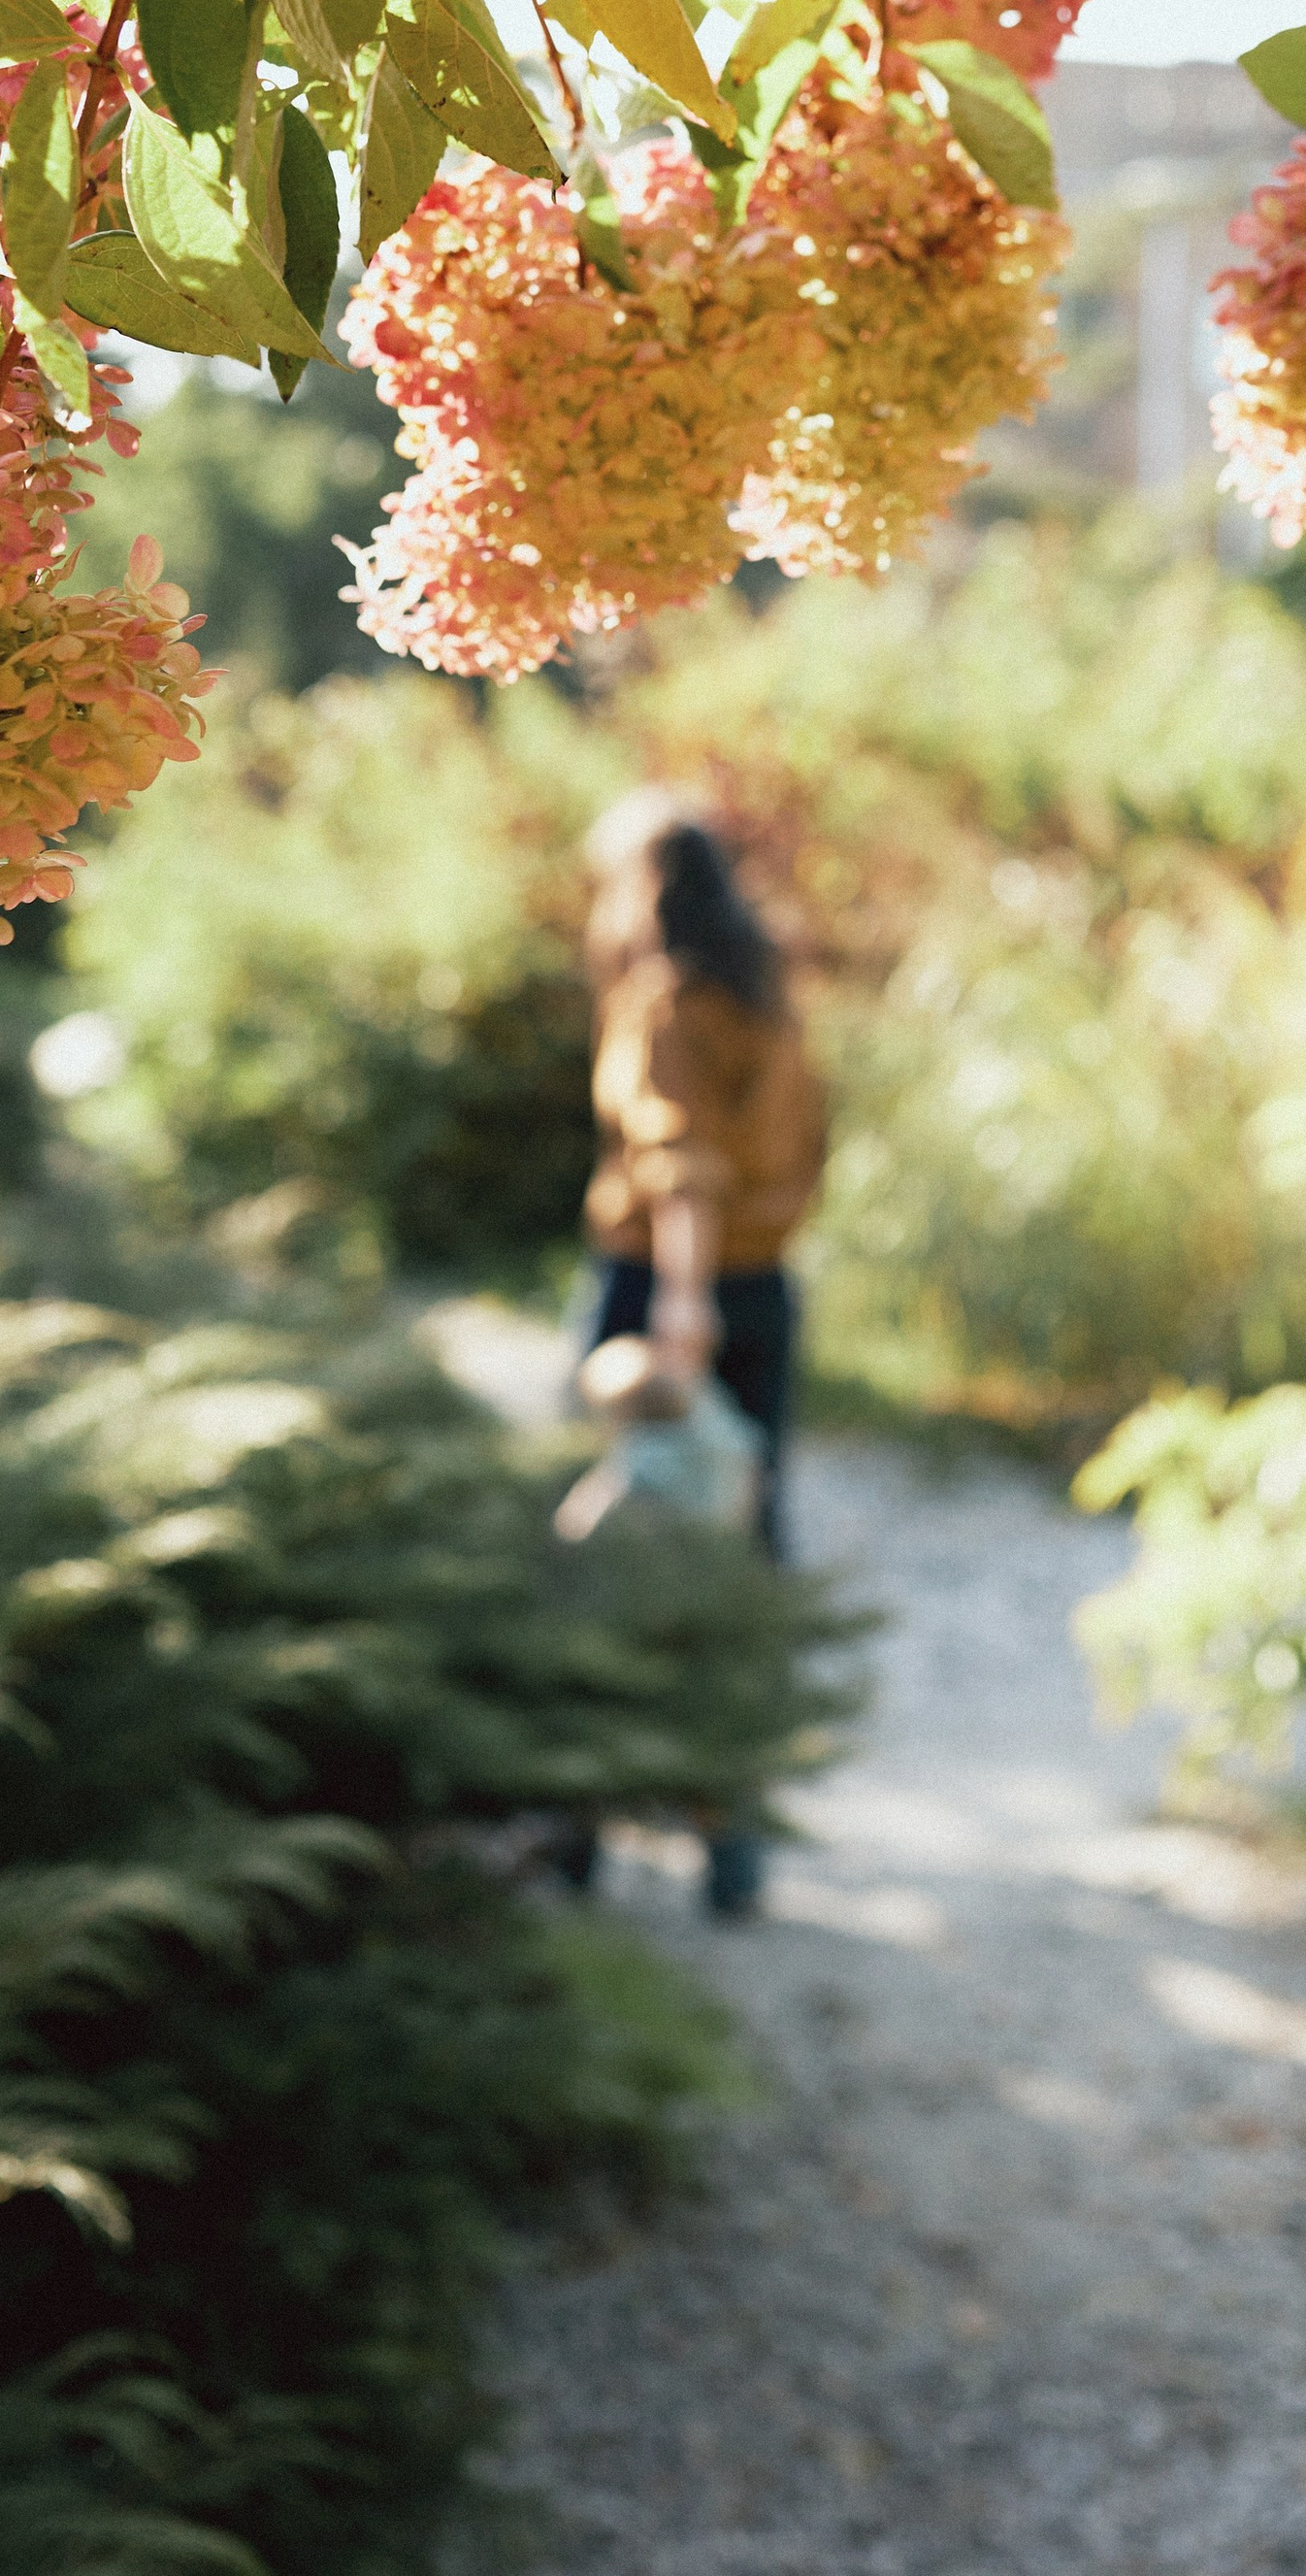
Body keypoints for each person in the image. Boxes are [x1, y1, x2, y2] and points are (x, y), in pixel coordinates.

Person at [570, 786, 826, 1914]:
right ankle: (733, 1844)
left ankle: (571, 1824)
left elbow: (676, 1165)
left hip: (668, 1294)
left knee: (612, 1550)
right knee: (740, 1550)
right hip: (764, 1287)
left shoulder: (664, 1000)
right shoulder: (769, 999)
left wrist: (679, 1304)